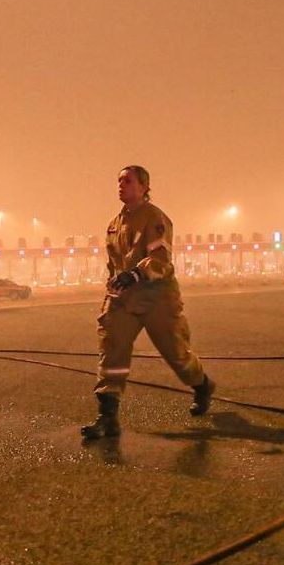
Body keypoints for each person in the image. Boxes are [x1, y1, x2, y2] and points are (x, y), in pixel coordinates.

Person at [81, 165, 216, 440]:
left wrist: (136, 274)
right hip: (124, 298)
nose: (121, 185)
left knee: (177, 355)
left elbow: (161, 260)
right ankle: (107, 417)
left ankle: (202, 385)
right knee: (111, 352)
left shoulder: (155, 218)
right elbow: (114, 264)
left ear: (144, 186)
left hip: (156, 297)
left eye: (128, 180)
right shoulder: (114, 224)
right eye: (119, 180)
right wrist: (114, 287)